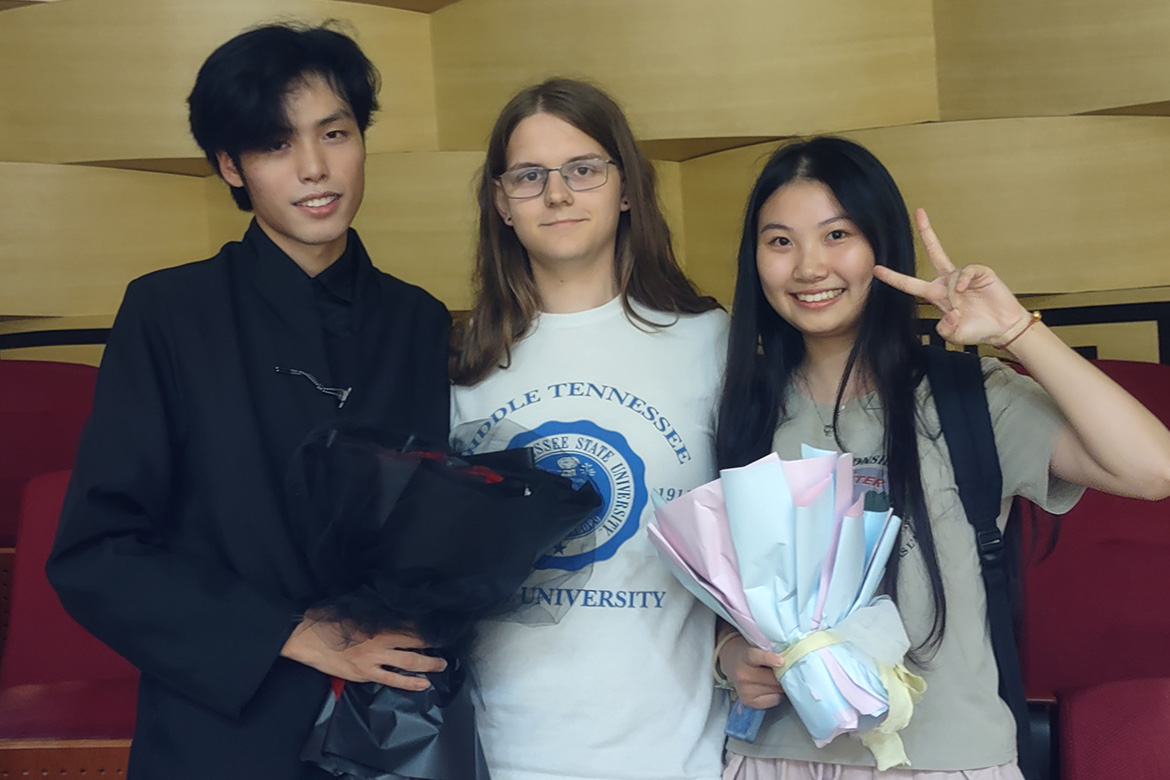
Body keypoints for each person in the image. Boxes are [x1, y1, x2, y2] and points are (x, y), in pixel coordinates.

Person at [47, 23, 451, 780]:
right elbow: (96, 553)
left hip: (389, 728)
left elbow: (428, 528)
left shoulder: (419, 321)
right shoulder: (168, 312)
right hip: (221, 729)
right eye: (274, 145)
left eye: (334, 133)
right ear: (231, 167)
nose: (313, 167)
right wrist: (287, 633)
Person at [713, 136, 1170, 779]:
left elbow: (1153, 469)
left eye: (837, 234)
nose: (809, 266)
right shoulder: (736, 405)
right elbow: (707, 591)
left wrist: (1017, 331)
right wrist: (728, 656)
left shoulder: (968, 397)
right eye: (780, 241)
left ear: (882, 245)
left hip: (948, 758)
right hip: (776, 755)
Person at [449, 78, 729, 780]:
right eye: (529, 176)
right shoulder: (457, 360)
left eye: (583, 169)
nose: (557, 194)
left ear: (627, 187)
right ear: (500, 202)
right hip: (499, 752)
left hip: (677, 754)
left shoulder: (711, 342)